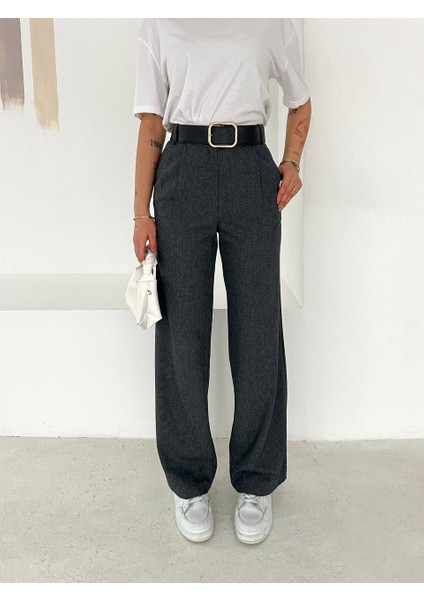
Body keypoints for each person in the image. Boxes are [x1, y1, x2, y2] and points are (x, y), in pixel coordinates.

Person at [132, 18, 311, 545]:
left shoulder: (272, 18)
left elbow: (301, 101)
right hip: (182, 169)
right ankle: (188, 482)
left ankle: (255, 480)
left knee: (258, 330)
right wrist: (140, 213)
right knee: (182, 332)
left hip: (251, 171)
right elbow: (152, 122)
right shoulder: (161, 20)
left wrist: (292, 161)